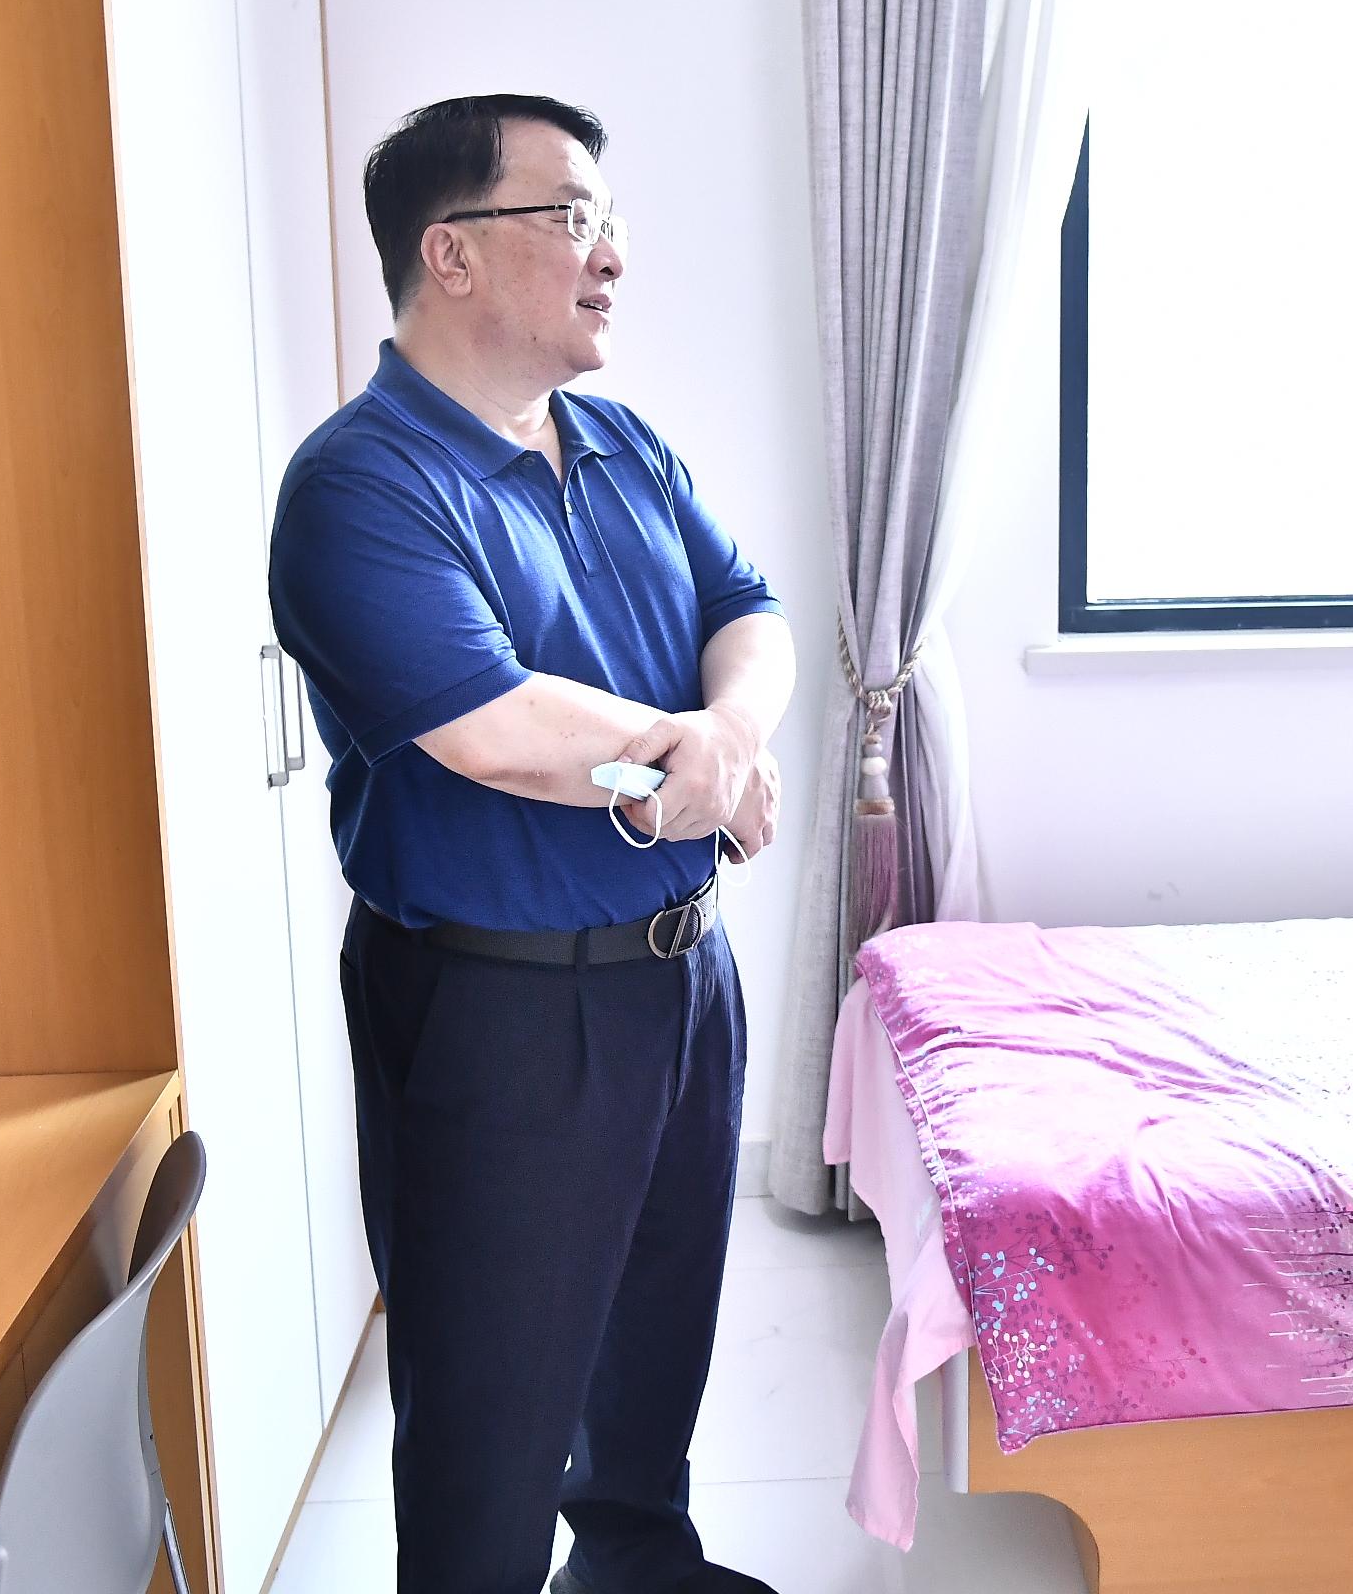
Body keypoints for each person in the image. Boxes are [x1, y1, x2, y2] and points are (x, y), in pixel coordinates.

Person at [268, 93, 795, 1594]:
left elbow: (750, 613)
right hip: (503, 1007)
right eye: (573, 217)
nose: (611, 253)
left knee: (654, 1355)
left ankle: (637, 1570)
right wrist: (698, 756)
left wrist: (724, 738)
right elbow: (489, 728)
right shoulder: (363, 483)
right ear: (451, 252)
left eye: (609, 219)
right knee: (491, 1417)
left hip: (680, 978)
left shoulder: (622, 443)